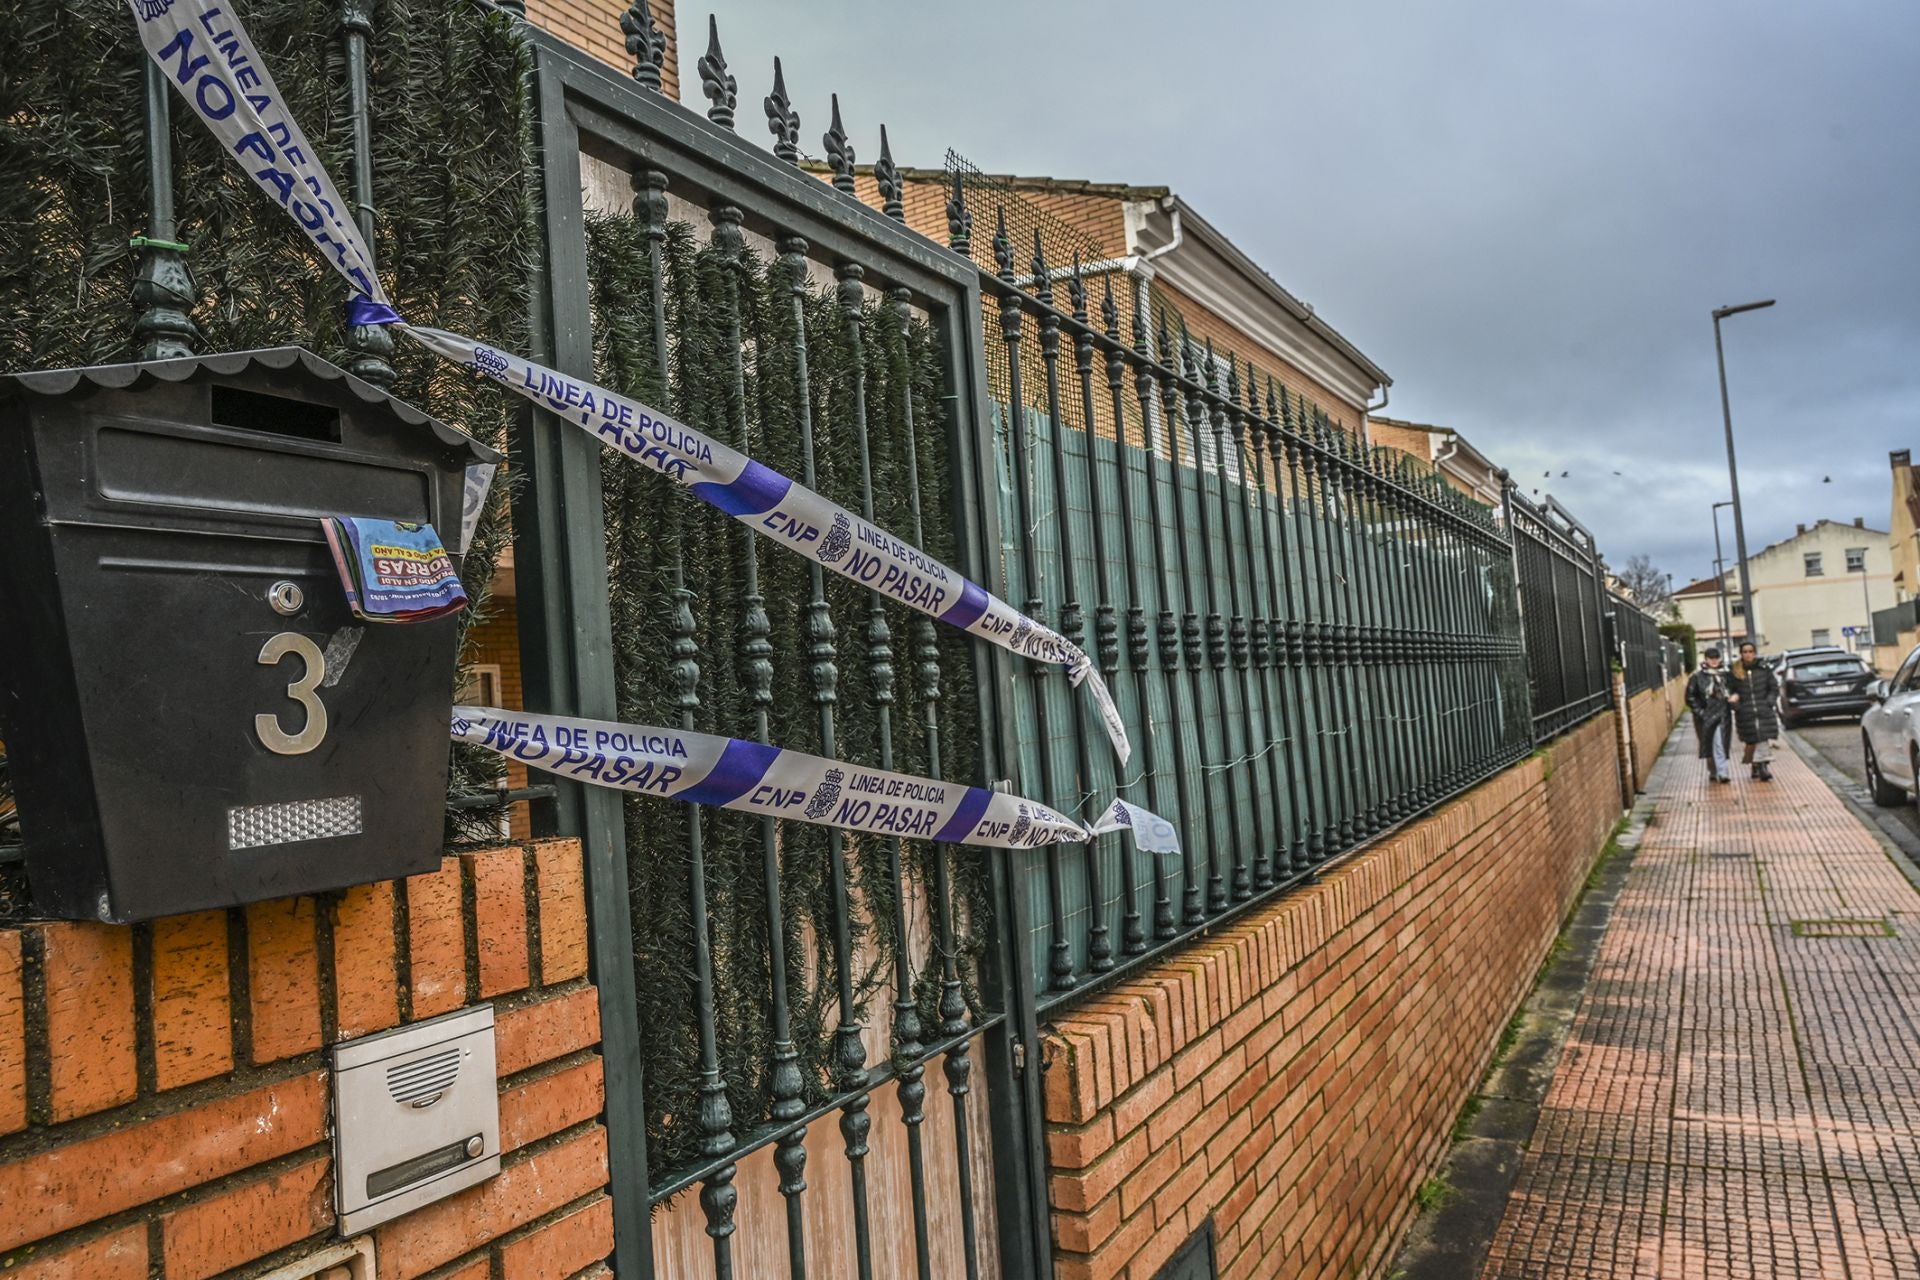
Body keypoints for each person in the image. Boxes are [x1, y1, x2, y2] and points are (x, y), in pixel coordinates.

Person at [1728, 641, 1782, 781]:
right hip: (1745, 712)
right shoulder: (1735, 671)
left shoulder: (1764, 669)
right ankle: (1755, 765)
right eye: (1745, 652)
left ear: (1754, 653)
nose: (1748, 654)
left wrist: (1769, 702)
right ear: (1741, 654)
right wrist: (1736, 703)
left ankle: (1763, 766)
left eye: (1750, 651)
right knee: (1751, 739)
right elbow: (1730, 689)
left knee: (1762, 738)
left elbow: (1773, 688)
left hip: (1763, 709)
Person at [1686, 646, 1733, 783]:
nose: (1713, 661)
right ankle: (1713, 770)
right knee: (1709, 744)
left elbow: (1734, 690)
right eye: (1710, 658)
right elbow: (1690, 696)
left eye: (1716, 658)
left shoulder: (1726, 675)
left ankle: (1723, 772)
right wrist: (1700, 712)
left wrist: (1733, 699)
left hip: (1723, 714)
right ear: (1705, 660)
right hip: (1706, 716)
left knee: (1720, 743)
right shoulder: (1697, 677)